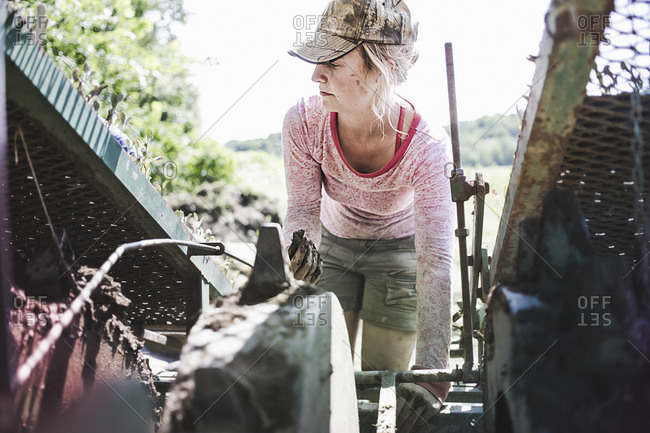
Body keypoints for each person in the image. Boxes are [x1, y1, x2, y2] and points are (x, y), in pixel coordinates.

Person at [282, 0, 454, 429]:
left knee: (384, 392)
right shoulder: (304, 122)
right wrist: (299, 259)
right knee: (324, 381)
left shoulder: (427, 148)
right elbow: (303, 208)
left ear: (379, 68)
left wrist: (433, 373)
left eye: (334, 62)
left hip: (400, 256)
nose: (315, 74)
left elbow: (435, 263)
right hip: (333, 247)